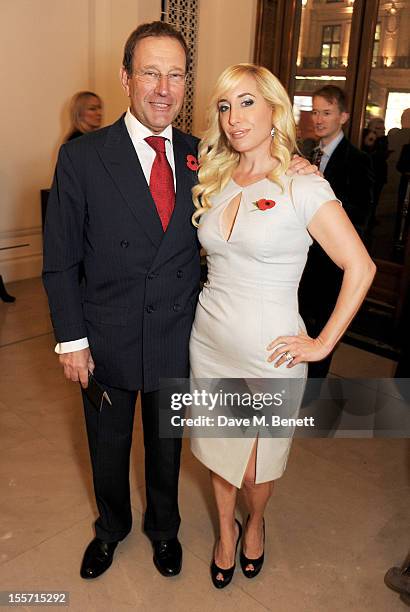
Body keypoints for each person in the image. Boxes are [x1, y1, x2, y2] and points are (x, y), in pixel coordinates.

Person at [42, 22, 314, 582]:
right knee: (108, 449)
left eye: (175, 74)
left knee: (167, 449)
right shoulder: (83, 158)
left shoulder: (204, 156)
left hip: (179, 338)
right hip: (106, 339)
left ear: (186, 83)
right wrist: (72, 340)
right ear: (126, 79)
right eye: (150, 73)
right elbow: (61, 261)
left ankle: (164, 530)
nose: (163, 87)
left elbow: (256, 173)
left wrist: (296, 165)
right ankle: (111, 528)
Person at [189, 63, 376, 588]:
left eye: (247, 102)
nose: (234, 117)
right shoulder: (216, 176)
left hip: (270, 353)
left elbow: (361, 268)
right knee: (219, 456)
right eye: (225, 106)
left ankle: (257, 523)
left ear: (274, 109)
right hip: (208, 343)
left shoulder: (301, 183)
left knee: (253, 468)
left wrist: (321, 344)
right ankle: (226, 535)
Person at [298, 85, 374, 380]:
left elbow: (362, 216)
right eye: (315, 112)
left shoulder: (358, 161)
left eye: (326, 113)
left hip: (331, 265)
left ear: (343, 116)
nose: (318, 119)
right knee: (299, 324)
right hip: (301, 261)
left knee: (322, 331)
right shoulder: (304, 151)